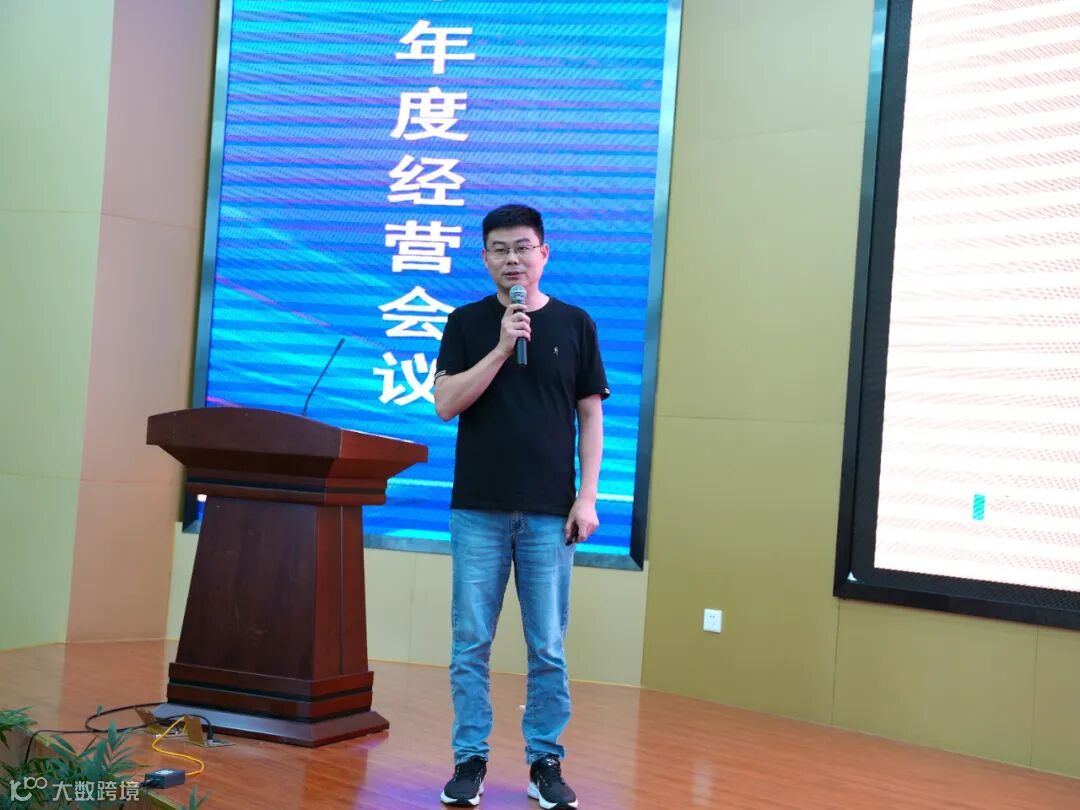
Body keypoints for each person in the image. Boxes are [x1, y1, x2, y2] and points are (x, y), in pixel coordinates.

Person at [433, 204, 608, 809]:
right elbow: (445, 404)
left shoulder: (576, 323)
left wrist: (587, 496)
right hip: (478, 508)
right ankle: (470, 759)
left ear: (544, 254)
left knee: (548, 646)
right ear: (485, 258)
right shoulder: (465, 322)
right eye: (501, 249)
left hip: (549, 512)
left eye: (523, 247)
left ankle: (545, 761)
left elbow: (590, 416)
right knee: (470, 642)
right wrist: (502, 349)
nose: (513, 259)